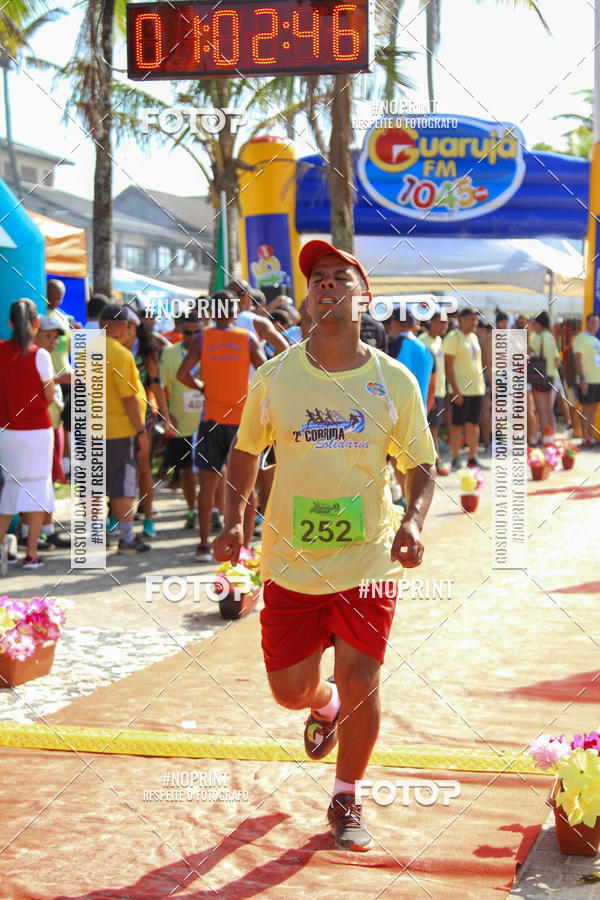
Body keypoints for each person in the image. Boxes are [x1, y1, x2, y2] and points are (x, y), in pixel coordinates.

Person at [214, 240, 436, 852]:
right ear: (309, 298)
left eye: (343, 277)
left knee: (363, 675)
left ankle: (346, 797)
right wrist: (232, 518)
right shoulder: (275, 376)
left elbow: (420, 465)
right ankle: (324, 703)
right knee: (289, 689)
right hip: (290, 560)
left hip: (368, 556)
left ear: (365, 298)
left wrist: (412, 522)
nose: (328, 285)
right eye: (318, 279)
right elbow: (243, 453)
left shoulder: (395, 382)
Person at [177, 290, 266, 562]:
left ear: (211, 312)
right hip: (242, 421)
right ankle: (246, 548)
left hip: (211, 420)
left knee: (208, 486)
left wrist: (204, 387)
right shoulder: (247, 338)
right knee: (247, 488)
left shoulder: (202, 339)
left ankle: (203, 545)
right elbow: (266, 372)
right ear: (235, 312)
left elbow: (183, 374)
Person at [0, 299, 56, 567]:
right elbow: (49, 396)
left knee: (10, 491)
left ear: (10, 323)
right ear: (35, 324)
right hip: (37, 433)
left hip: (7, 432)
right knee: (36, 490)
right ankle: (31, 554)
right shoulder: (40, 355)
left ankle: (2, 549)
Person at [101, 303, 150, 554]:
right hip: (119, 430)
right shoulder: (121, 354)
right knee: (122, 487)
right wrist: (141, 431)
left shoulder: (85, 351)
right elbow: (129, 398)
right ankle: (127, 539)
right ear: (121, 327)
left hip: (91, 429)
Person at [160, 313, 205, 528]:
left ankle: (214, 511)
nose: (194, 336)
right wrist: (166, 416)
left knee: (214, 471)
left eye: (199, 332)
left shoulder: (213, 351)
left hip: (210, 422)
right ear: (181, 332)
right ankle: (192, 511)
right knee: (187, 471)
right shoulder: (169, 354)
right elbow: (159, 386)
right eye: (189, 332)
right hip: (182, 424)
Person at [443, 307, 486, 469]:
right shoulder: (453, 337)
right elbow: (448, 365)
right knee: (457, 425)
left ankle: (472, 457)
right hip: (460, 389)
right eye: (470, 319)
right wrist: (455, 389)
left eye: (475, 319)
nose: (474, 322)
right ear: (461, 319)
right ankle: (455, 458)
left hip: (477, 389)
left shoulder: (474, 337)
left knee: (473, 424)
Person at [419, 312, 449, 474]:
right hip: (428, 390)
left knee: (434, 426)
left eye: (446, 323)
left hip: (440, 390)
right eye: (441, 322)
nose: (444, 325)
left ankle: (431, 459)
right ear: (432, 322)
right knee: (432, 427)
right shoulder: (423, 341)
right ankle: (435, 461)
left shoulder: (440, 341)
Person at [227, 279, 289, 358]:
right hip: (255, 370)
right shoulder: (257, 322)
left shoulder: (216, 324)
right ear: (246, 296)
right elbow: (282, 346)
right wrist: (271, 369)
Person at [529, 311, 561, 441]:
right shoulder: (550, 337)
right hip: (551, 376)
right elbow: (556, 360)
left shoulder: (538, 337)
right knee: (548, 410)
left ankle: (544, 438)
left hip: (539, 377)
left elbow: (526, 351)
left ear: (539, 324)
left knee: (541, 411)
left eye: (534, 323)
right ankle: (550, 437)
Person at [572, 312, 600, 448]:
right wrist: (582, 378)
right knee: (586, 409)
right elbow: (577, 359)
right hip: (586, 380)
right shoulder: (580, 338)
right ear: (587, 323)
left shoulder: (596, 340)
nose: (595, 324)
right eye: (593, 322)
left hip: (597, 380)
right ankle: (585, 438)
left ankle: (591, 436)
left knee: (593, 409)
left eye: (597, 322)